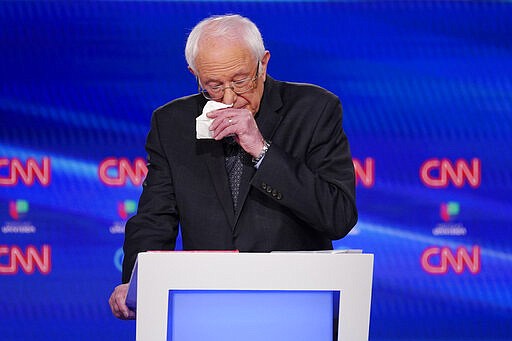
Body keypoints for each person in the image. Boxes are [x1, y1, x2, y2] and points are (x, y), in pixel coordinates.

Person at [109, 14, 357, 320]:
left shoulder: (315, 109)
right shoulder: (171, 123)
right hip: (206, 305)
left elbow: (339, 216)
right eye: (213, 85)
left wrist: (262, 150)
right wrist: (135, 283)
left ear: (263, 64)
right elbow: (154, 218)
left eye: (241, 81)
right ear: (195, 74)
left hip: (297, 304)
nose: (229, 97)